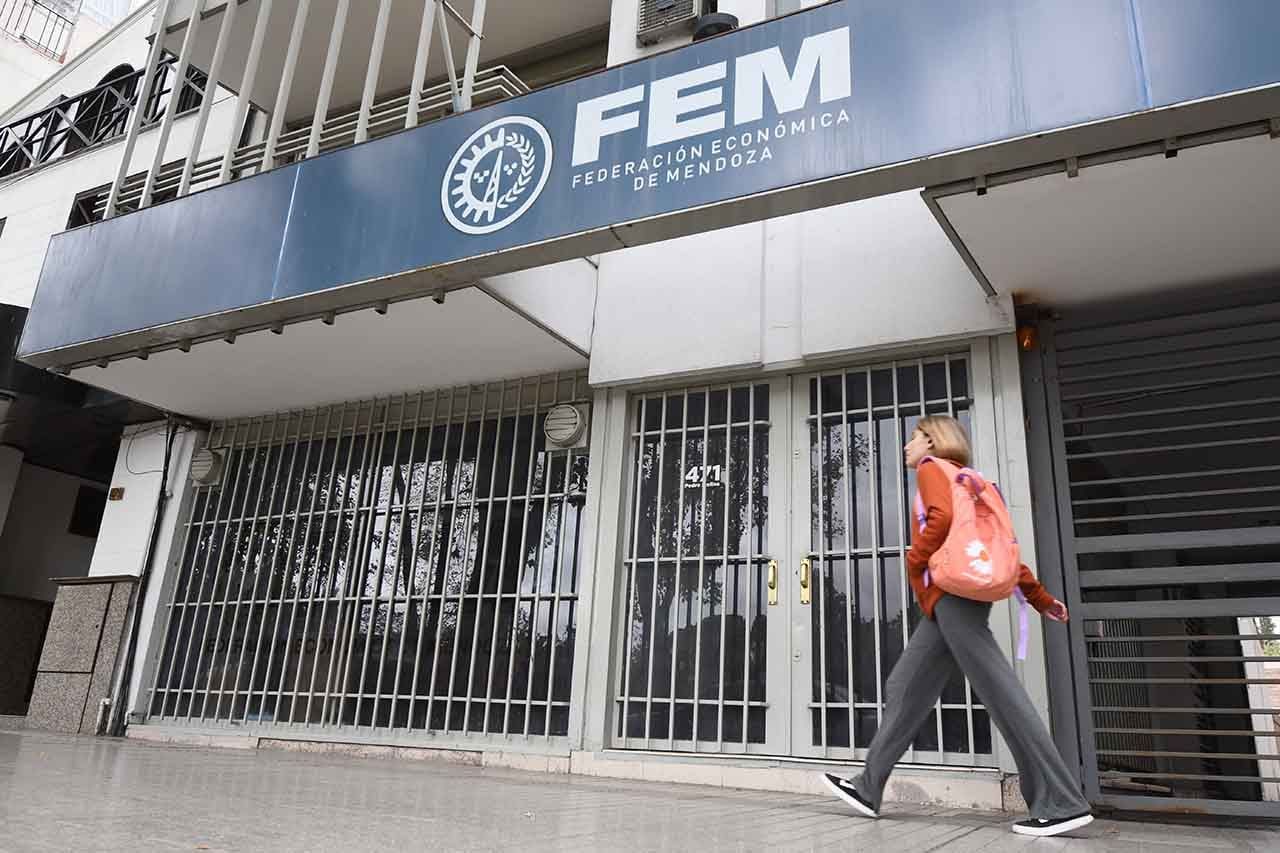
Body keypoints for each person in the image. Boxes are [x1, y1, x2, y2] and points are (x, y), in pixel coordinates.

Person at [820, 415, 1094, 838]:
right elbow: (998, 548)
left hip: (953, 601)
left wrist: (915, 558)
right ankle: (868, 787)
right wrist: (1040, 599)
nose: (907, 447)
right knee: (904, 687)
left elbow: (941, 517)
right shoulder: (971, 481)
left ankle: (1061, 800)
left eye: (912, 439)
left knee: (1002, 693)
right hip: (949, 604)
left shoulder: (933, 470)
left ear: (930, 440)